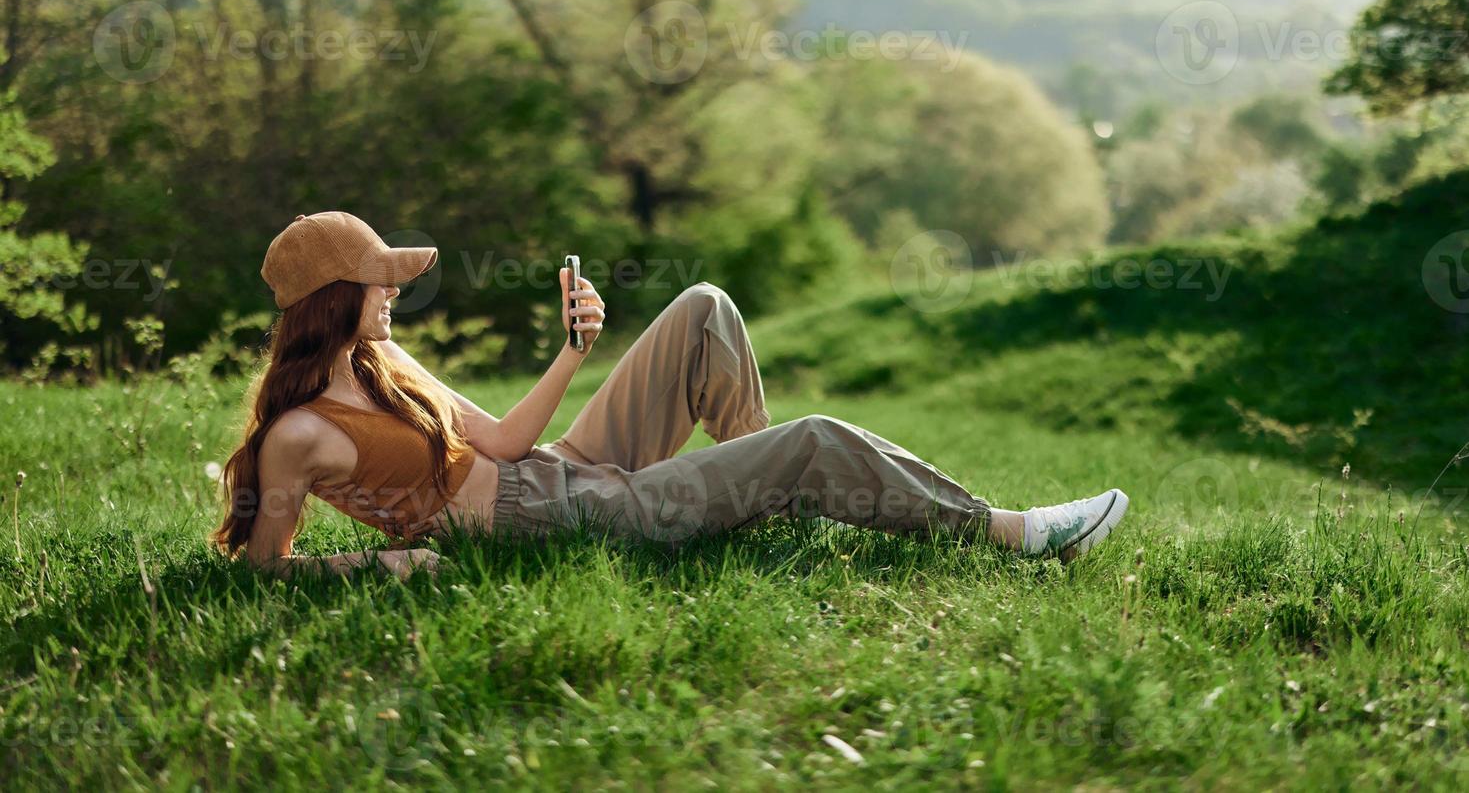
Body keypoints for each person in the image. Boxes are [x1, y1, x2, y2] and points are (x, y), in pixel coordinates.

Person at [210, 211, 1129, 579]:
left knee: (704, 308)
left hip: (553, 473)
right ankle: (1011, 534)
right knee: (814, 440)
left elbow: (501, 442)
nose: (393, 291)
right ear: (333, 300)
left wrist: (576, 351)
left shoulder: (386, 361)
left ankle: (762, 500)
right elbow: (261, 572)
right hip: (560, 525)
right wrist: (382, 565)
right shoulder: (299, 434)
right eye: (379, 282)